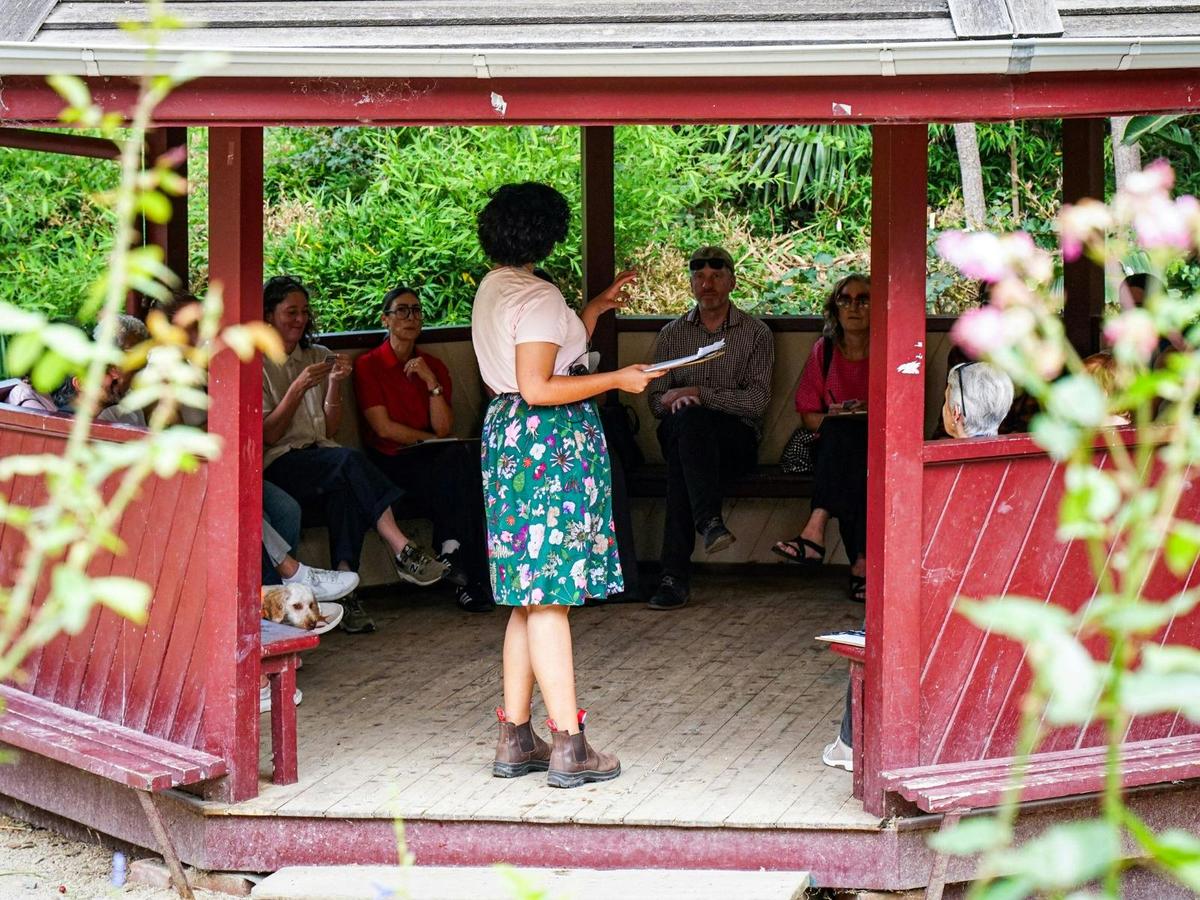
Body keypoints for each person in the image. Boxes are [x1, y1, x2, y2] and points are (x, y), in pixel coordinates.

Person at [472, 181, 655, 788]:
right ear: (548, 234)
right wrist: (618, 380)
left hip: (508, 442)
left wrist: (594, 310)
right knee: (550, 594)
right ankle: (569, 744)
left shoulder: (496, 288)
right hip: (547, 444)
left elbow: (532, 360)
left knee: (528, 594)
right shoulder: (542, 296)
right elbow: (541, 387)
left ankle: (514, 737)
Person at [822, 361, 1014, 772]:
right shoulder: (1014, 463)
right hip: (1004, 605)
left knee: (878, 626)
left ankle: (849, 743)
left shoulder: (934, 467)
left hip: (942, 612)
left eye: (946, 398)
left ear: (957, 414)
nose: (944, 406)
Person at [261, 274, 453, 635]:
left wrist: (333, 384)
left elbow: (329, 429)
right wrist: (298, 387)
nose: (300, 319)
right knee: (349, 462)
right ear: (269, 316)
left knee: (346, 488)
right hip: (281, 462)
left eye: (304, 312)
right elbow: (269, 434)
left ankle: (346, 592)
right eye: (290, 312)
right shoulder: (257, 362)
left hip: (321, 458)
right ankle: (401, 547)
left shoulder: (316, 355)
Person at [645, 246, 774, 611]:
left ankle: (673, 577)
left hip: (734, 440)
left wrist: (699, 394)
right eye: (699, 277)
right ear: (690, 284)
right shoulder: (672, 334)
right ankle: (709, 522)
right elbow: (654, 400)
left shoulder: (755, 333)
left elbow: (757, 401)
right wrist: (675, 400)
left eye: (717, 276)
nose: (708, 284)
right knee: (687, 425)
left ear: (732, 281)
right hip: (680, 435)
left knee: (685, 457)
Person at [353, 284, 494, 613]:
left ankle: (454, 556)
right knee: (458, 468)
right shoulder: (368, 365)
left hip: (432, 464)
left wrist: (431, 383)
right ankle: (468, 575)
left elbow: (444, 427)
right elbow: (383, 429)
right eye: (401, 310)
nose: (410, 317)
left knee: (461, 466)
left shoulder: (431, 364)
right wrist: (428, 439)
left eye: (416, 311)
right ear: (385, 319)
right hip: (389, 465)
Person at [772, 275, 870, 602]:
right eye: (845, 299)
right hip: (830, 448)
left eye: (863, 299)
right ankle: (862, 566)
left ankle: (815, 529)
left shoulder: (890, 350)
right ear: (835, 307)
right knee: (845, 440)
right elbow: (808, 414)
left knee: (856, 449)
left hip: (878, 447)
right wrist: (839, 418)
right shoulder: (824, 351)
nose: (854, 307)